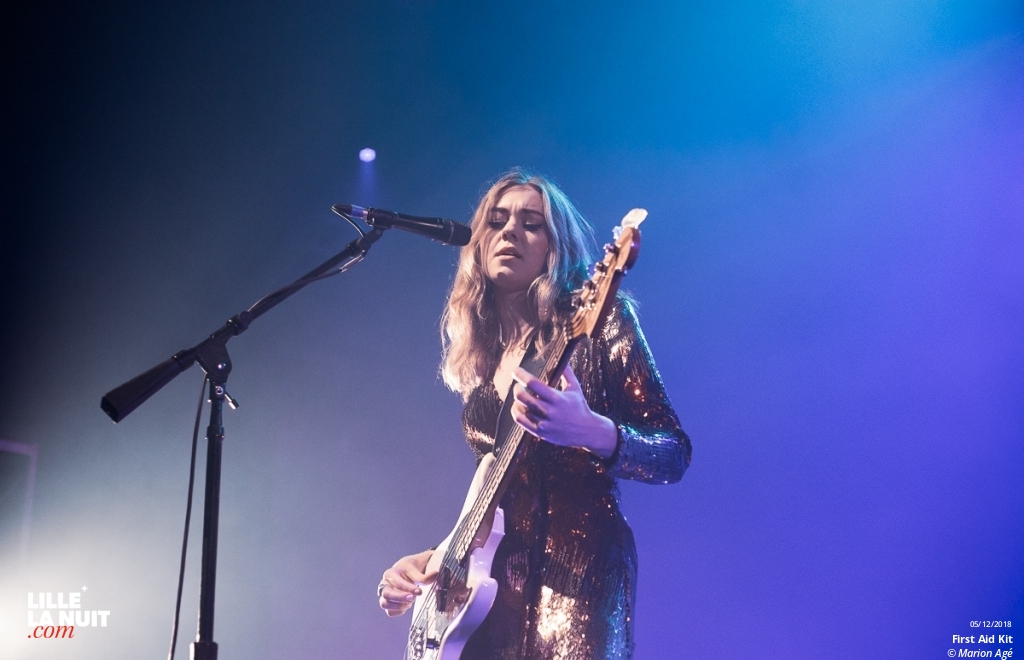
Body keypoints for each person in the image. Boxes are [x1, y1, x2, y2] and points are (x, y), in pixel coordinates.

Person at [378, 169, 691, 659]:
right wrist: (436, 559)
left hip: (578, 580)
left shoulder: (599, 323)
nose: (510, 232)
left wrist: (591, 430)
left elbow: (672, 454)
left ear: (555, 247)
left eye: (531, 223)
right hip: (486, 600)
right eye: (497, 221)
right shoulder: (486, 361)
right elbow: (492, 497)